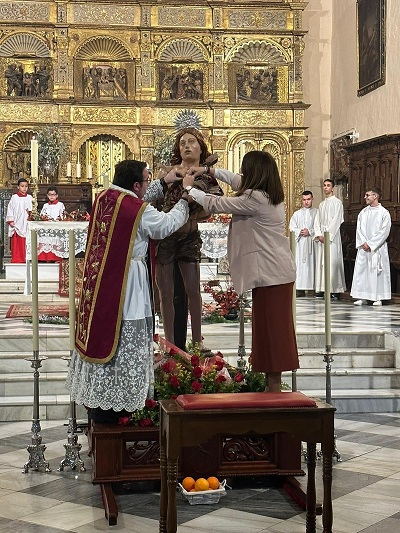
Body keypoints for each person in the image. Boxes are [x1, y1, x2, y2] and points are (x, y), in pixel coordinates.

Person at [66, 159, 189, 422]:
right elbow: (164, 225)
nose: (148, 185)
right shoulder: (136, 209)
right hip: (127, 283)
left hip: (102, 284)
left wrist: (166, 181)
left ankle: (101, 402)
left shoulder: (106, 197)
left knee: (107, 338)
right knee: (126, 340)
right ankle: (123, 408)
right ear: (135, 184)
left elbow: (135, 198)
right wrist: (185, 199)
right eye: (147, 180)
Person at [183, 150, 299, 392]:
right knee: (267, 330)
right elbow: (235, 180)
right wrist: (208, 171)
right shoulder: (266, 194)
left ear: (255, 173)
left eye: (246, 170)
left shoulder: (256, 200)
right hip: (272, 274)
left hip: (273, 275)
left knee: (273, 332)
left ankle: (274, 389)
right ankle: (271, 386)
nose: (242, 175)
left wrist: (190, 189)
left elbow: (216, 204)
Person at [155, 128, 223, 350]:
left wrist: (194, 211)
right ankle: (170, 343)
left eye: (191, 142)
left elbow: (215, 201)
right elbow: (155, 201)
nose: (186, 146)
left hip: (189, 236)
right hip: (166, 237)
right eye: (182, 142)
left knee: (193, 289)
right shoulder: (167, 173)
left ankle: (197, 340)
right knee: (165, 291)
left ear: (201, 147)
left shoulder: (206, 174)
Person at [350, 187, 391, 306]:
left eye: (367, 195)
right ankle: (362, 295)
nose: (365, 197)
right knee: (363, 271)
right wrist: (363, 242)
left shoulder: (384, 213)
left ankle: (378, 297)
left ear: (375, 196)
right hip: (364, 247)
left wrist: (371, 243)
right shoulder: (363, 212)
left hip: (377, 248)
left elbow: (384, 231)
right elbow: (359, 229)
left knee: (376, 271)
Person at [313, 178, 346, 299]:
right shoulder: (322, 204)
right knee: (322, 262)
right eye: (324, 185)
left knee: (332, 261)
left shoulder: (337, 203)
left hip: (332, 237)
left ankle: (334, 289)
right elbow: (317, 221)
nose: (326, 187)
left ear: (333, 188)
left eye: (328, 185)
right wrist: (319, 234)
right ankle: (322, 288)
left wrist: (328, 235)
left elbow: (337, 220)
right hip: (322, 236)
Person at [289, 190, 317, 297]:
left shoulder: (317, 212)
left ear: (312, 199)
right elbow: (292, 227)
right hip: (300, 243)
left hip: (312, 243)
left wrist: (310, 231)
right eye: (304, 200)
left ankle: (313, 288)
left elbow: (319, 227)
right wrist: (300, 231)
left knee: (312, 264)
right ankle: (299, 288)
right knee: (300, 265)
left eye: (308, 199)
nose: (306, 202)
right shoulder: (297, 214)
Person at [6, 177, 33, 263]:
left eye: (26, 186)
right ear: (18, 187)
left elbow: (33, 209)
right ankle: (17, 259)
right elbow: (10, 209)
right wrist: (11, 220)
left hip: (27, 222)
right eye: (22, 186)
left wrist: (31, 215)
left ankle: (27, 258)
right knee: (17, 242)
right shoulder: (14, 197)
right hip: (17, 222)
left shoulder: (30, 197)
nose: (24, 188)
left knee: (27, 241)